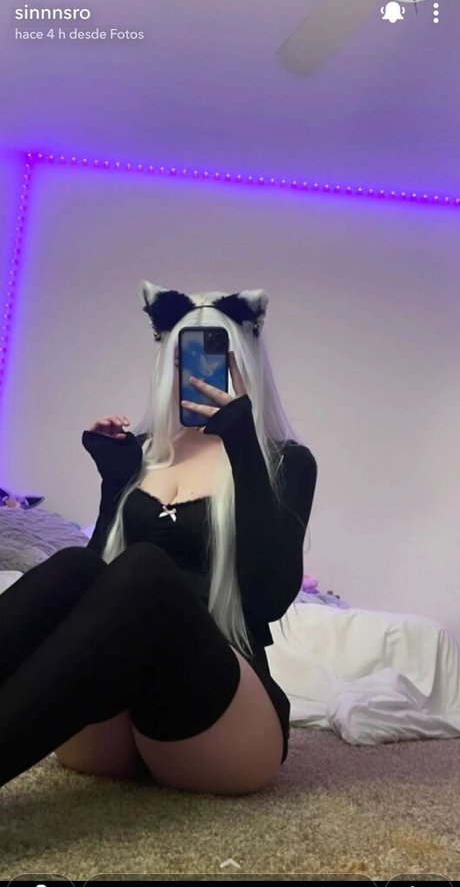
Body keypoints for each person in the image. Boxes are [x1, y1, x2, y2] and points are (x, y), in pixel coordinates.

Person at [0, 283, 317, 795]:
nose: (195, 375)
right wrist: (115, 484)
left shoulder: (284, 463)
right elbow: (93, 598)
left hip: (215, 718)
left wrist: (241, 444)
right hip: (116, 716)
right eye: (182, 361)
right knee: (76, 566)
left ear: (244, 368)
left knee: (146, 568)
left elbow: (268, 598)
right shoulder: (143, 452)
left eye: (215, 361)